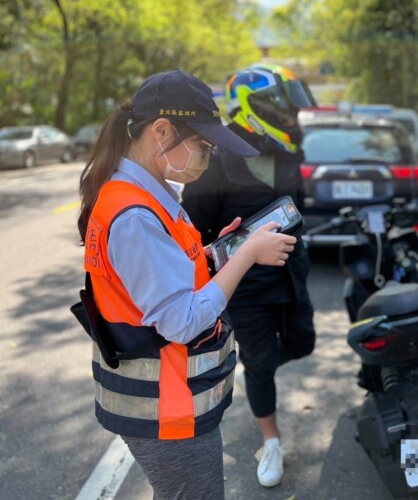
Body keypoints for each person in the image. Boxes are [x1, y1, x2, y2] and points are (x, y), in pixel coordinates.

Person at [77, 69, 297, 500]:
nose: (206, 156)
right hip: (165, 411)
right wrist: (249, 255)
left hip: (170, 402)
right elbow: (181, 321)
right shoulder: (136, 213)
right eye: (202, 145)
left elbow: (168, 275)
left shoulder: (147, 191)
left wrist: (221, 252)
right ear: (161, 131)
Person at [182, 65, 316, 488]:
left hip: (292, 278)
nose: (292, 116)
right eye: (283, 106)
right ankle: (271, 440)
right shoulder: (216, 163)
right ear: (252, 108)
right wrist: (238, 252)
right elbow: (196, 238)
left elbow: (298, 210)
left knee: (302, 344)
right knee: (261, 364)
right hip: (247, 292)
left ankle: (257, 369)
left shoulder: (290, 152)